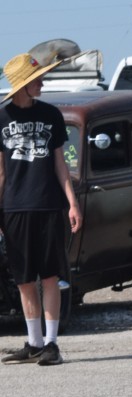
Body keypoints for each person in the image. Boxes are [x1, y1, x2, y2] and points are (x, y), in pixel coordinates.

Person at [1, 53, 82, 366]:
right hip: (14, 208)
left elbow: (61, 164)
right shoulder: (1, 117)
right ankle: (34, 343)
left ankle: (51, 344)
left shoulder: (51, 114)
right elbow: (0, 172)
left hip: (48, 204)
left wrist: (72, 203)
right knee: (23, 280)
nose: (42, 83)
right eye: (37, 79)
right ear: (22, 84)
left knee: (49, 277)